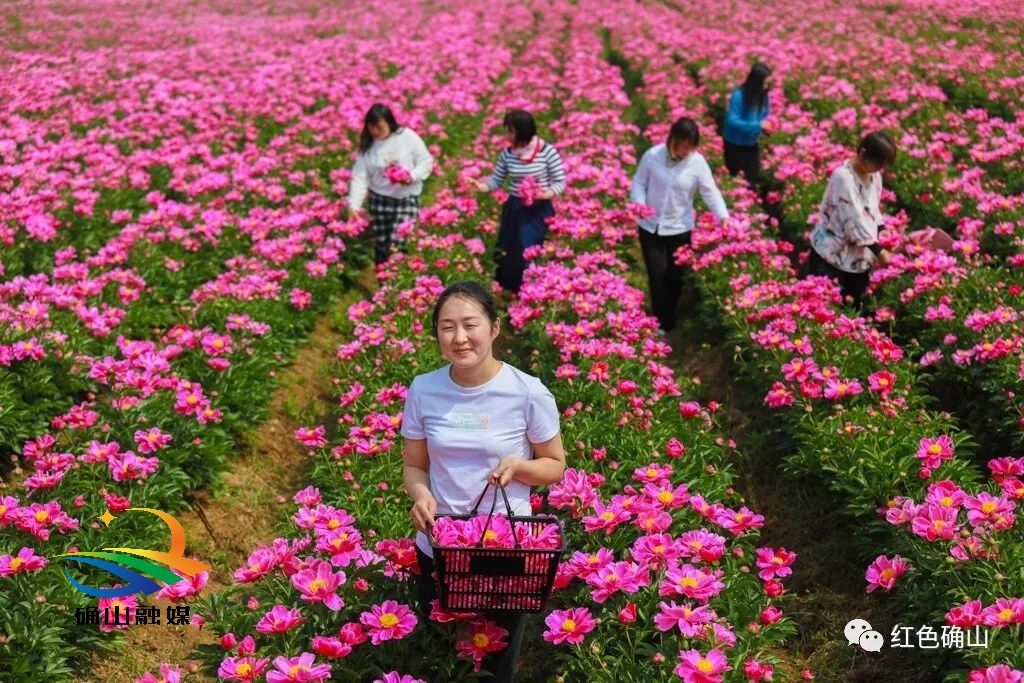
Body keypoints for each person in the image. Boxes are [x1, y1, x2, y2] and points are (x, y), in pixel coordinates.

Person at [401, 280, 566, 683]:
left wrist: (518, 466)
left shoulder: (527, 391)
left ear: (494, 328)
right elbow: (414, 467)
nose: (459, 338)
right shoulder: (424, 389)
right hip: (440, 543)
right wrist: (421, 495)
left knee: (497, 664)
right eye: (446, 327)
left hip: (504, 549)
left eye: (470, 324)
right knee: (442, 658)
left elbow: (555, 465)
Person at [630, 117, 730, 334]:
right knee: (657, 274)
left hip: (680, 227)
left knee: (675, 276)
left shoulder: (697, 163)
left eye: (690, 148)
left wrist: (722, 215)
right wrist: (639, 203)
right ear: (672, 139)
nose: (685, 152)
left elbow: (709, 191)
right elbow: (639, 182)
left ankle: (670, 312)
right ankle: (663, 323)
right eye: (682, 146)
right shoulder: (653, 156)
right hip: (650, 226)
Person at [475, 110, 566, 294]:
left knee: (530, 247)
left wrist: (544, 194)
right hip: (515, 208)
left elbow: (560, 182)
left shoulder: (546, 151)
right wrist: (482, 186)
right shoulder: (508, 154)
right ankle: (512, 289)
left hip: (538, 209)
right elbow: (496, 180)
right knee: (511, 249)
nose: (506, 136)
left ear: (523, 131)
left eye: (510, 131)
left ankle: (534, 289)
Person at [807, 131, 897, 309]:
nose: (879, 169)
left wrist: (882, 230)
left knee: (853, 307)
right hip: (831, 255)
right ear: (862, 152)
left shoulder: (875, 176)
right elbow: (854, 219)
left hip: (857, 258)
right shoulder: (843, 177)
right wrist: (879, 251)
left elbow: (872, 210)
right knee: (823, 306)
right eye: (877, 163)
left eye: (882, 165)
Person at [347, 103, 434, 266]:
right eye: (371, 127)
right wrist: (354, 205)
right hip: (379, 199)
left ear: (389, 123)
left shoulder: (407, 137)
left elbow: (426, 161)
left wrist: (411, 176)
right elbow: (360, 177)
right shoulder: (368, 145)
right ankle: (383, 286)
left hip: (406, 197)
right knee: (382, 244)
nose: (375, 132)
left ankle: (397, 282)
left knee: (399, 243)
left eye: (379, 127)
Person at [723, 62, 773, 186]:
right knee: (737, 182)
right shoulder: (739, 96)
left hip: (751, 145)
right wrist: (758, 126)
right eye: (764, 83)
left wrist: (765, 127)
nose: (767, 87)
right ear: (756, 82)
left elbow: (764, 115)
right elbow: (732, 122)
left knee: (752, 180)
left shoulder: (763, 96)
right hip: (735, 145)